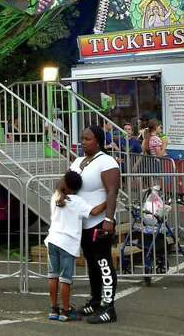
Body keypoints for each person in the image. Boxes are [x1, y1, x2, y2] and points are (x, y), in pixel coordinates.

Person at [70, 126, 121, 324]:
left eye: (88, 139)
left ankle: (109, 307)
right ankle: (96, 300)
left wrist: (109, 219)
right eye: (82, 138)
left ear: (98, 141)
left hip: (100, 223)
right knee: (91, 264)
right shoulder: (78, 160)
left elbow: (112, 191)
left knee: (103, 264)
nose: (83, 141)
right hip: (82, 223)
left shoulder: (106, 161)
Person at [45, 171, 107, 322]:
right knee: (65, 279)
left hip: (52, 240)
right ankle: (65, 312)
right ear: (77, 188)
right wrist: (109, 200)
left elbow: (60, 186)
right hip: (67, 244)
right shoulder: (78, 202)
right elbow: (94, 212)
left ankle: (54, 309)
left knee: (53, 276)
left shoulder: (56, 197)